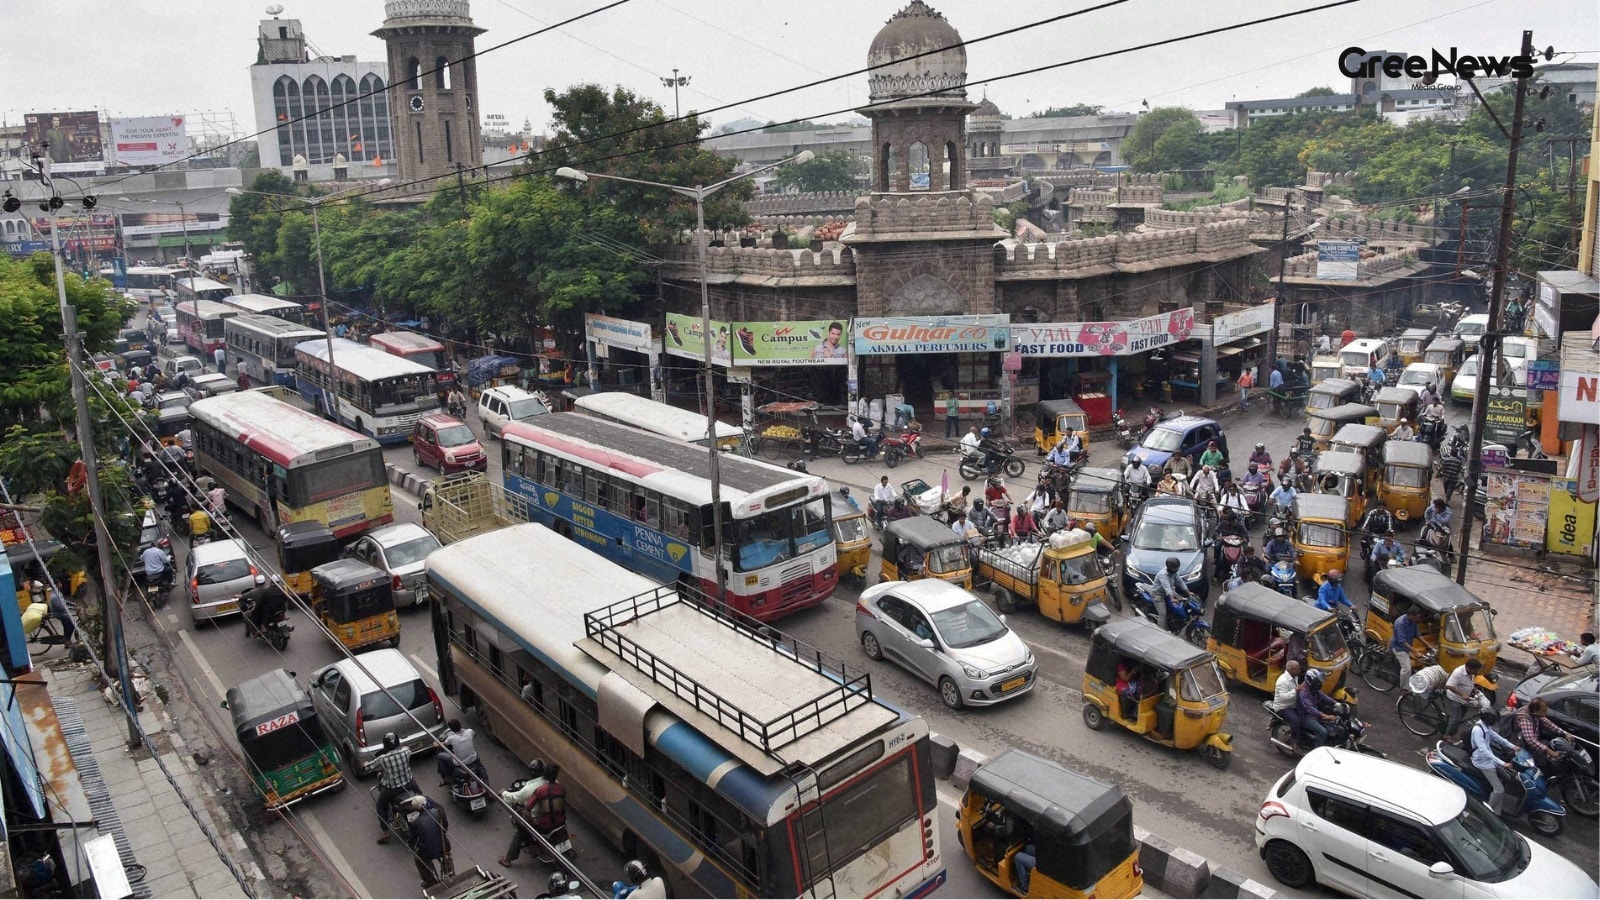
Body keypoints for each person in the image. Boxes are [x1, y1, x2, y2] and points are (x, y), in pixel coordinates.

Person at [1470, 710, 1519, 816]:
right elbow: (1484, 750)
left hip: (1489, 759)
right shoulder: (1477, 730)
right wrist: (1502, 763)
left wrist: (1513, 746)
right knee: (1499, 789)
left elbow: (1498, 738)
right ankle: (1488, 813)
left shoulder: (1485, 727)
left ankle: (1497, 811)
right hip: (1482, 762)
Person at [399, 793, 453, 888]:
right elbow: (445, 827)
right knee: (447, 856)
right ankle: (451, 874)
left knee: (419, 860)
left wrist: (411, 846)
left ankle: (430, 881)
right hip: (443, 846)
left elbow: (413, 839)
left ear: (416, 808)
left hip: (427, 851)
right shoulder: (438, 812)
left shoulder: (415, 823)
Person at [374, 733, 418, 843]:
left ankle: (385, 832)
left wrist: (365, 764)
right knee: (421, 796)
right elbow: (407, 749)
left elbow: (368, 767)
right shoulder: (406, 752)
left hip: (391, 789)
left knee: (380, 807)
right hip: (409, 784)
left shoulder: (382, 759)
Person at [1514, 698, 1578, 770]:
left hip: (1535, 742)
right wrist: (1549, 751)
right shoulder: (1525, 719)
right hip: (1525, 746)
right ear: (1535, 711)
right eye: (1543, 711)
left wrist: (1564, 733)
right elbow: (1530, 740)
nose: (1545, 713)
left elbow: (1548, 724)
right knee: (1543, 763)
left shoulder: (1536, 714)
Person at [1149, 556, 1195, 631]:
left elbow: (1180, 581)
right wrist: (1172, 598)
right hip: (1158, 594)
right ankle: (1161, 631)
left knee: (1181, 603)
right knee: (1163, 614)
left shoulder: (1174, 572)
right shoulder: (1163, 575)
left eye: (1177, 568)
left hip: (1169, 593)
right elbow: (1167, 587)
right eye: (1175, 568)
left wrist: (1188, 592)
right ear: (1170, 568)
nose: (1176, 569)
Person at [1295, 669, 1339, 749]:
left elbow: (1322, 696)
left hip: (1314, 714)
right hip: (1306, 717)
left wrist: (1336, 703)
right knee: (1323, 732)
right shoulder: (1303, 692)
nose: (1320, 684)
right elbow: (1309, 708)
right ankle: (1315, 751)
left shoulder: (1313, 688)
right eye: (1318, 682)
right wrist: (1325, 716)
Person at [1443, 659, 1484, 742]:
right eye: (1475, 670)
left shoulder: (1471, 673)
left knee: (1463, 713)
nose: (1476, 672)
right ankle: (1447, 735)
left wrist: (1473, 690)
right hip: (1455, 698)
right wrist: (1462, 694)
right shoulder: (1458, 673)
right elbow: (1449, 685)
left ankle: (1451, 726)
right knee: (1456, 718)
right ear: (1468, 668)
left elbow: (1469, 683)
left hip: (1465, 699)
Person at [1390, 609, 1431, 683]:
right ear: (1411, 615)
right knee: (1407, 669)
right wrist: (1415, 652)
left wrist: (1428, 645)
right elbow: (1402, 641)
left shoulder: (1413, 621)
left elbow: (1417, 635)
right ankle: (1403, 689)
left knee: (1419, 661)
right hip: (1399, 648)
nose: (1418, 619)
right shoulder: (1400, 623)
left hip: (1407, 647)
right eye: (1417, 617)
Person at [241, 574, 286, 639]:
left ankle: (257, 630)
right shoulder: (281, 589)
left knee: (247, 615)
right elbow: (285, 599)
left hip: (269, 612)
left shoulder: (264, 591)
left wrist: (256, 609)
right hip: (281, 609)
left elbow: (260, 603)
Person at [437, 718, 481, 785]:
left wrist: (436, 744)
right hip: (473, 759)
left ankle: (447, 778)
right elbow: (474, 735)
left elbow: (443, 744)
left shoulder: (451, 738)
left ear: (451, 729)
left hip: (460, 763)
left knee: (440, 756)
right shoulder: (469, 731)